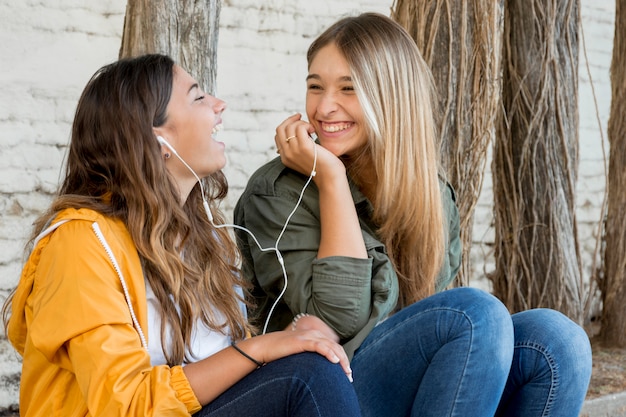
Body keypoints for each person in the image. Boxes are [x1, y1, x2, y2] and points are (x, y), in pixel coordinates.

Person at [234, 12, 592, 417]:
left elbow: (429, 324)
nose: (325, 107)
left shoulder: (430, 194)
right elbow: (336, 321)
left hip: (395, 386)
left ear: (392, 96)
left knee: (558, 339)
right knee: (474, 314)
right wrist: (330, 179)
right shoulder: (278, 193)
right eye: (315, 87)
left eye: (348, 88)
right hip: (323, 392)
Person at [1, 54, 360, 417]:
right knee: (309, 376)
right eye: (198, 97)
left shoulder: (200, 234)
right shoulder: (80, 244)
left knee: (418, 333)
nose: (220, 105)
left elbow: (219, 364)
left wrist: (295, 334)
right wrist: (262, 349)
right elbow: (125, 404)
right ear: (157, 138)